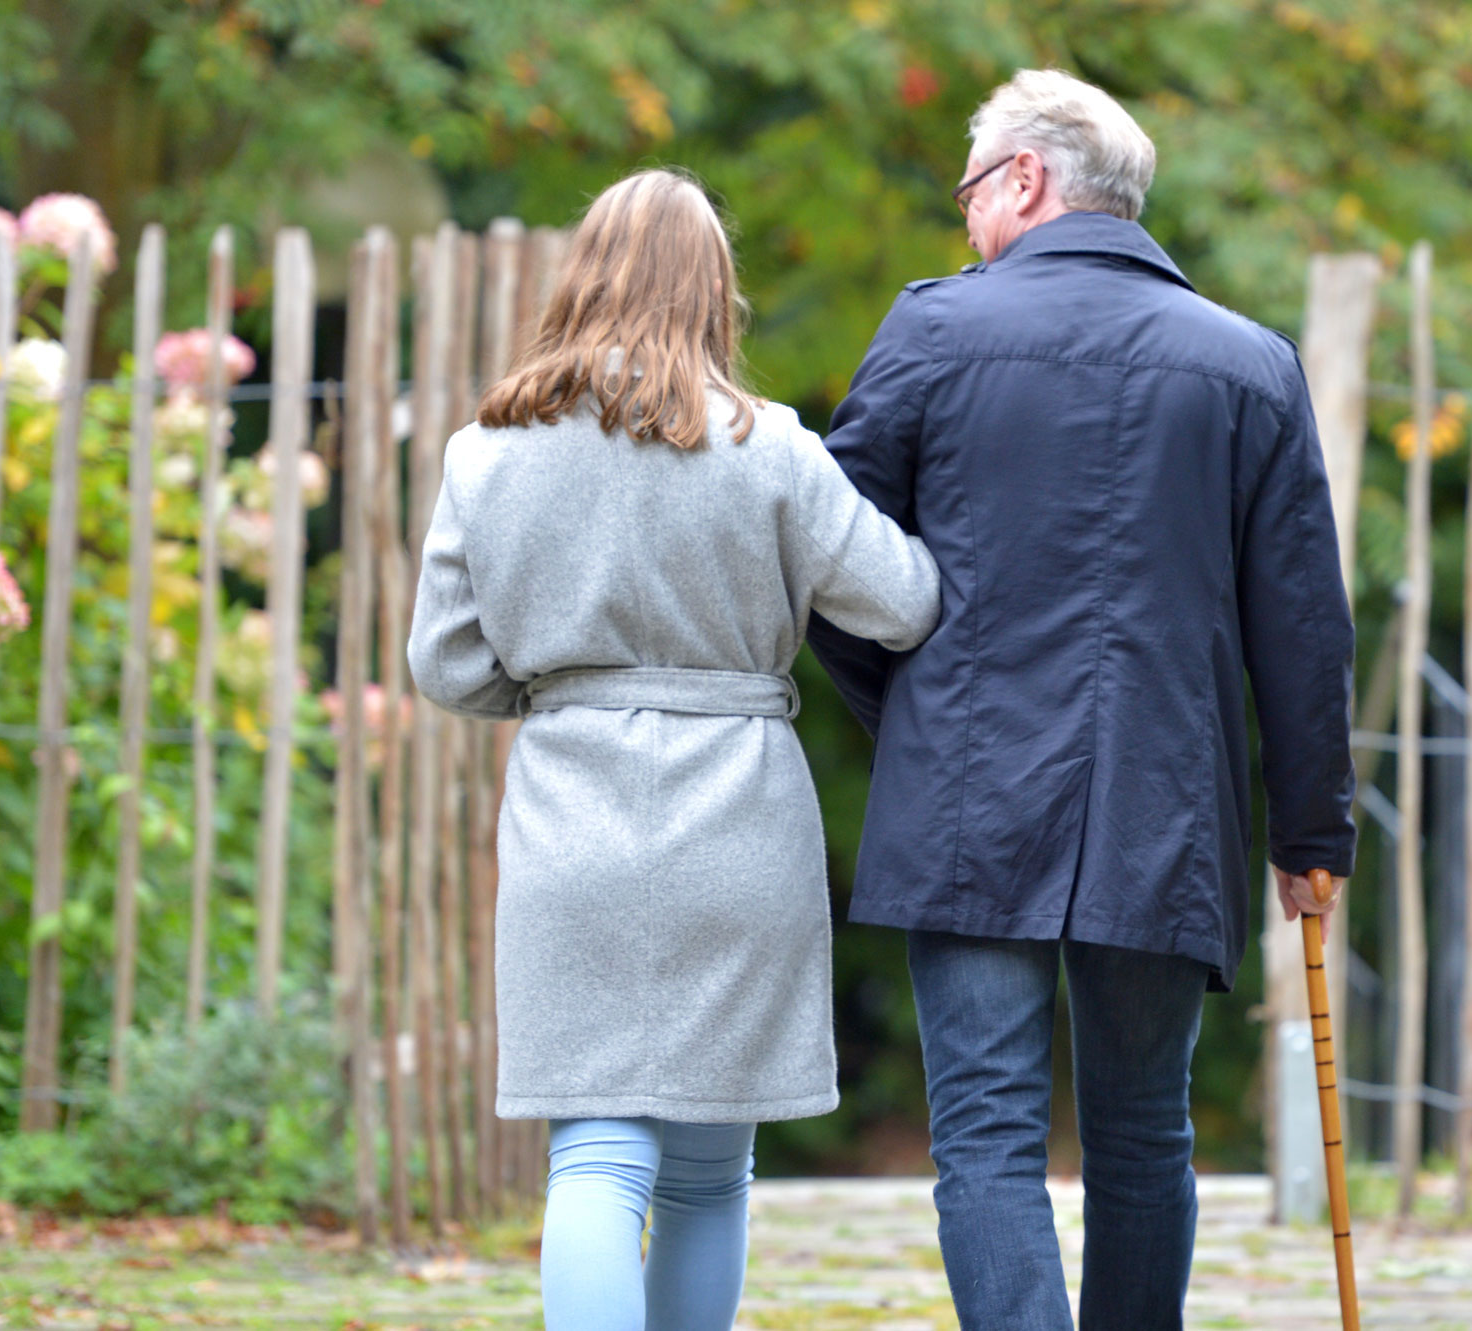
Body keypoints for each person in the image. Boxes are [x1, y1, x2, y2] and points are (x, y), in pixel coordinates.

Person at [806, 69, 1358, 1329]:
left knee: (985, 1135)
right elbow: (1302, 625)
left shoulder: (934, 331)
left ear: (1024, 178)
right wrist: (1309, 829)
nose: (965, 222)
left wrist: (916, 720)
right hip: (1164, 799)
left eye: (968, 191)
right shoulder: (1249, 364)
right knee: (1143, 1130)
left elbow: (830, 557)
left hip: (964, 789)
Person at [407, 168, 941, 1331]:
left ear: (580, 276)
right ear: (713, 290)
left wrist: (559, 690)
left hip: (570, 818)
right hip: (738, 817)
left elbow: (444, 661)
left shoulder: (487, 453)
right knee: (706, 1170)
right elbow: (902, 602)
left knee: (594, 1154)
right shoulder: (774, 448)